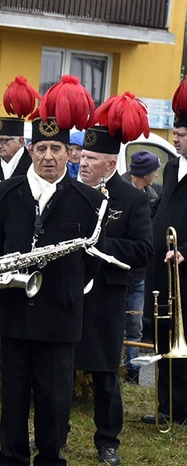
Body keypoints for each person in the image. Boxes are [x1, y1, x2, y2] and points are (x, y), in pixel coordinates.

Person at [0, 106, 106, 464]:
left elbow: (90, 267)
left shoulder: (89, 201)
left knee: (55, 401)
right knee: (13, 398)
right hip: (15, 318)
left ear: (69, 153)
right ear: (30, 151)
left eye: (56, 149)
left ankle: (51, 458)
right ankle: (11, 458)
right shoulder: (6, 195)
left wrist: (65, 294)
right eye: (41, 149)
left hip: (59, 320)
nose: (49, 157)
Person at [74, 116, 153, 465]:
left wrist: (99, 243)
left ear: (110, 163)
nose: (82, 162)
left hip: (106, 296)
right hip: (69, 292)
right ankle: (52, 433)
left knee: (105, 373)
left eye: (91, 158)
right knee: (60, 369)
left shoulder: (132, 199)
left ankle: (108, 441)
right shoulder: (70, 191)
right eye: (82, 156)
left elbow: (142, 251)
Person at [142, 111, 187, 426]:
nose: (174, 139)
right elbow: (162, 205)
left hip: (184, 269)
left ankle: (183, 410)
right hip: (160, 266)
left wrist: (184, 251)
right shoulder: (172, 167)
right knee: (163, 335)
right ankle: (166, 405)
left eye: (181, 135)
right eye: (175, 133)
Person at [121, 149, 160, 382]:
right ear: (145, 173)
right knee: (115, 322)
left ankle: (132, 369)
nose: (156, 174)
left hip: (138, 273)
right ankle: (113, 366)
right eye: (154, 170)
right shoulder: (122, 194)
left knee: (134, 322)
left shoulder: (151, 196)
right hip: (120, 270)